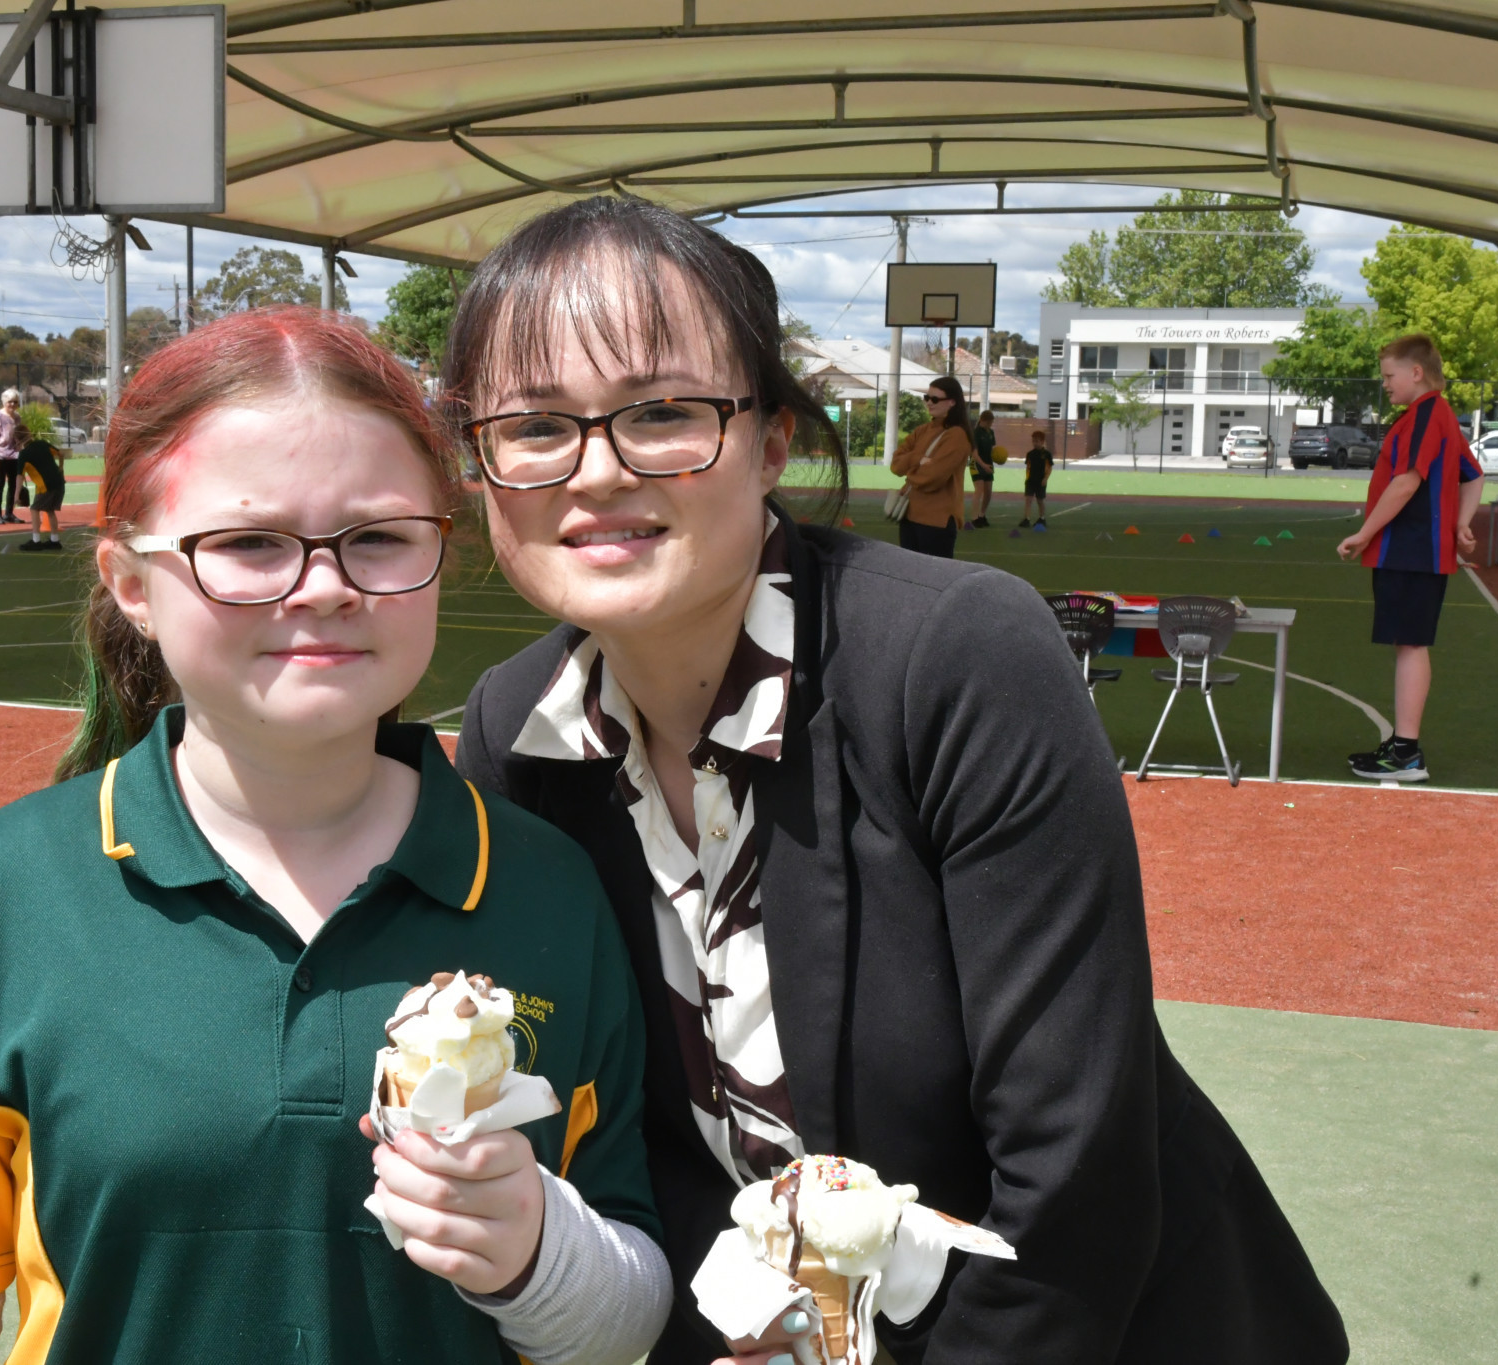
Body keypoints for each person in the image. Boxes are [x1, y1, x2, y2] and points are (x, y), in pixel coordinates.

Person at [442, 196, 1347, 1365]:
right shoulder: (516, 734)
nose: (597, 470)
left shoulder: (954, 657)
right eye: (533, 426)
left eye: (663, 412)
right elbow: (606, 1140)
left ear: (772, 442)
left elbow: (1072, 1171)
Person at [0, 308, 671, 1365]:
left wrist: (534, 1251)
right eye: (250, 544)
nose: (326, 587)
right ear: (131, 583)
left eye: (379, 537)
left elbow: (629, 1312)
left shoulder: (548, 889)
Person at [1336, 332, 1483, 782]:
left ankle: (1406, 752)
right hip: (1414, 550)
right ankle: (1402, 745)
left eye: (1389, 375)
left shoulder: (1426, 415)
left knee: (1411, 644)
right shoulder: (1437, 415)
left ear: (1416, 373)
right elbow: (1473, 475)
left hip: (1411, 549)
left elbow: (1406, 482)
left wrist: (1364, 533)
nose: (1385, 384)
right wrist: (1462, 523)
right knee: (1408, 643)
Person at [887, 374, 972, 558]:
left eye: (935, 399)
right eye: (927, 398)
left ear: (952, 402)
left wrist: (910, 474)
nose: (929, 403)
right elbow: (895, 466)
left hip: (937, 522)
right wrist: (919, 459)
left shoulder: (956, 435)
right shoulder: (922, 431)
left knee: (934, 575)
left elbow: (932, 478)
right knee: (910, 572)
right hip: (908, 515)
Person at [15, 434, 67, 552]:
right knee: (50, 510)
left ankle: (36, 541)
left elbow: (19, 476)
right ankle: (54, 541)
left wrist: (16, 495)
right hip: (59, 482)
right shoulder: (42, 443)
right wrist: (61, 467)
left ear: (18, 440)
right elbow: (61, 454)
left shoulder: (24, 454)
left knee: (34, 509)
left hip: (46, 486)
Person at [0, 387, 27, 523]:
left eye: (15, 402)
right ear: (4, 402)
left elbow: (19, 436)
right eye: (10, 401)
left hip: (15, 456)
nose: (13, 404)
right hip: (0, 456)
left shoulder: (17, 417)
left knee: (13, 486)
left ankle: (9, 513)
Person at [967, 406, 998, 527]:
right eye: (989, 422)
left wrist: (998, 457)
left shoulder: (991, 432)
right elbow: (974, 453)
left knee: (988, 493)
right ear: (983, 420)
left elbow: (992, 450)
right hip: (976, 464)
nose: (990, 425)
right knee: (979, 490)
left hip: (988, 464)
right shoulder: (976, 433)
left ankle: (982, 515)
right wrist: (983, 465)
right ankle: (974, 518)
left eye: (992, 423)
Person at [1021, 427, 1053, 527]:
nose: (1035, 443)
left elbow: (1049, 468)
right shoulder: (1030, 454)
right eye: (1033, 441)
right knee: (1028, 500)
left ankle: (1042, 518)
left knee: (1040, 500)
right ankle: (1027, 518)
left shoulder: (1047, 454)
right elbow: (1028, 467)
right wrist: (1027, 479)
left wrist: (1045, 478)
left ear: (1042, 441)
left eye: (1037, 441)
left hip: (1041, 481)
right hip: (1030, 481)